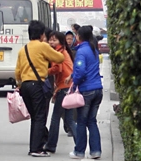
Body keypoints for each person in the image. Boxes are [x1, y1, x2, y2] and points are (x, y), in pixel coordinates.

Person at [15, 20, 65, 157]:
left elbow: (17, 72)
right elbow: (60, 58)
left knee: (35, 117)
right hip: (37, 85)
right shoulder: (43, 46)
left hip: (24, 86)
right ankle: (36, 149)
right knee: (40, 117)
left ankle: (36, 145)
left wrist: (20, 84)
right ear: (42, 34)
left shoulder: (22, 49)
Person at [69, 26, 103, 159]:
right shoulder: (93, 49)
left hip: (87, 90)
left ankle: (79, 152)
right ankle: (95, 151)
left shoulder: (82, 51)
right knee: (92, 121)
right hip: (97, 89)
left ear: (79, 37)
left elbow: (81, 70)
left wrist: (75, 83)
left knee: (82, 122)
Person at [43, 31, 77, 154]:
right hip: (69, 87)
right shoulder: (63, 50)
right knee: (68, 119)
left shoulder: (58, 52)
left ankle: (51, 145)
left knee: (55, 117)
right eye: (50, 39)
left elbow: (58, 68)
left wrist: (44, 71)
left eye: (54, 40)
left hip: (64, 87)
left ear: (60, 42)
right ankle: (80, 143)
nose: (51, 42)